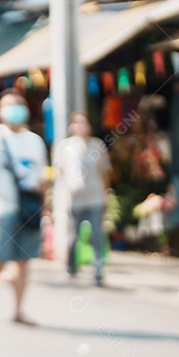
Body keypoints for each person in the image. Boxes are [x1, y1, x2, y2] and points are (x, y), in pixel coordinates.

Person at [0, 91, 48, 325]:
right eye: (10, 105)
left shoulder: (35, 141)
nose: (16, 109)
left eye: (20, 104)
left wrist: (45, 207)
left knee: (24, 261)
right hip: (3, 208)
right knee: (0, 258)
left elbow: (41, 179)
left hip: (30, 208)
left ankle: (18, 310)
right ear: (0, 111)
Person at [53, 111, 111, 286]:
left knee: (97, 234)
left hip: (96, 197)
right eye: (77, 123)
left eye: (84, 122)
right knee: (73, 235)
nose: (80, 126)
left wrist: (106, 194)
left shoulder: (97, 145)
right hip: (75, 199)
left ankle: (98, 270)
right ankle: (71, 267)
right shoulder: (65, 147)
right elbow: (59, 173)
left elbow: (105, 172)